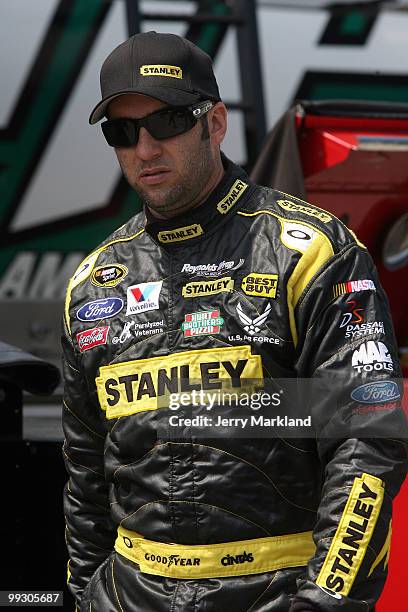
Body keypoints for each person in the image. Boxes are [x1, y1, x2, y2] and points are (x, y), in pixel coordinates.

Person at [62, 31, 407, 612]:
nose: (145, 149)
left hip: (274, 595)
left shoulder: (311, 251)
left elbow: (368, 440)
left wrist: (327, 599)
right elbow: (84, 477)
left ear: (214, 123)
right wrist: (83, 596)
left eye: (167, 122)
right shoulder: (93, 283)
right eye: (122, 132)